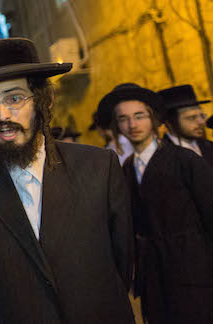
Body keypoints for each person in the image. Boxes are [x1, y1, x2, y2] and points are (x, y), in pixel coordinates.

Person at [0, 38, 135, 323]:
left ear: (44, 99)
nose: (2, 115)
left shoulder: (97, 166)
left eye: (15, 98)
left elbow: (122, 262)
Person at [98, 82, 213, 323]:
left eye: (139, 116)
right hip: (154, 280)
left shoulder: (184, 160)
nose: (132, 125)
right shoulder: (126, 169)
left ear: (153, 118)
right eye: (124, 119)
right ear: (117, 125)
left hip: (194, 274)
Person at [158, 84, 213, 165]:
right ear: (170, 123)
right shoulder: (160, 157)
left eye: (202, 116)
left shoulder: (210, 147)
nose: (201, 122)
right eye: (192, 118)